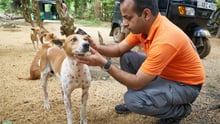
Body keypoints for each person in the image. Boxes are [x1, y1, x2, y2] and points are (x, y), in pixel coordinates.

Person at [76, 0, 205, 123]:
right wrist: (97, 48)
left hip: (186, 85)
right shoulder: (144, 27)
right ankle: (144, 96)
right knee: (127, 57)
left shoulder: (165, 38)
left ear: (146, 14)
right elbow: (119, 49)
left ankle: (179, 111)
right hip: (166, 74)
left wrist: (104, 64)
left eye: (128, 17)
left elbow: (137, 82)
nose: (124, 23)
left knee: (132, 100)